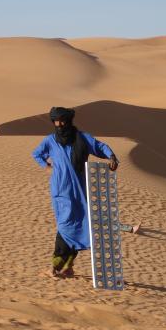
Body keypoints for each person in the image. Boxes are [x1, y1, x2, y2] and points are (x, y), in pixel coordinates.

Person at [32, 107, 119, 278]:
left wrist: (112, 156)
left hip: (80, 190)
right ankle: (54, 267)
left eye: (62, 121)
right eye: (55, 122)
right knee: (65, 226)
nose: (59, 125)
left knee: (80, 225)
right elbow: (37, 154)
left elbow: (99, 146)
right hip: (61, 190)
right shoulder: (50, 140)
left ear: (69, 121)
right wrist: (47, 167)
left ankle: (68, 267)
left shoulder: (82, 138)